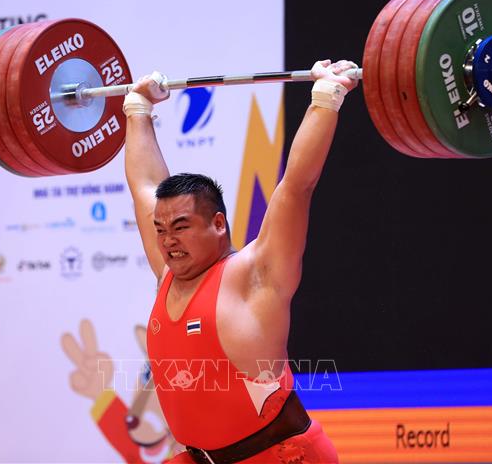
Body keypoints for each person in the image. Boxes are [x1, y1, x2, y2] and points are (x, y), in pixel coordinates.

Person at [122, 59, 358, 464]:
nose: (167, 240)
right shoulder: (167, 275)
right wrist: (138, 110)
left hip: (283, 456)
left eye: (180, 226)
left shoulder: (255, 275)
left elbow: (297, 186)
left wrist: (326, 95)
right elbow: (144, 185)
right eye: (160, 229)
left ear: (218, 224)